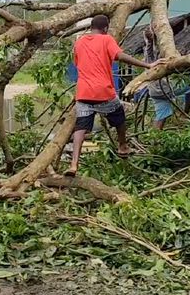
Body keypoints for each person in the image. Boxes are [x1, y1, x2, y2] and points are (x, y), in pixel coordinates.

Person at [65, 15, 161, 177]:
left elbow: (78, 63)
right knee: (120, 117)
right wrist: (147, 65)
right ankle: (122, 145)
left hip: (83, 93)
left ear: (91, 27)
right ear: (105, 28)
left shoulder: (79, 42)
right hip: (103, 92)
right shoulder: (107, 39)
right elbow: (121, 56)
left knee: (80, 128)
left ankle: (74, 164)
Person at [143, 25, 190, 129]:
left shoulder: (154, 59)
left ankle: (154, 138)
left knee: (162, 115)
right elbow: (149, 50)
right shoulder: (153, 59)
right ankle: (185, 113)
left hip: (154, 92)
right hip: (163, 89)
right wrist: (150, 40)